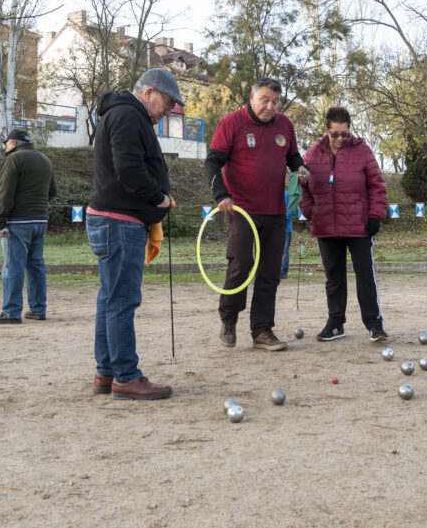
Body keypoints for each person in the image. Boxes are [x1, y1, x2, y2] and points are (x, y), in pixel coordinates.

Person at [86, 68, 183, 400]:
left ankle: (106, 372)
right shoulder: (129, 114)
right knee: (122, 300)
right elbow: (128, 169)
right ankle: (126, 375)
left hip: (113, 219)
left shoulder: (123, 113)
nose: (168, 110)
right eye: (167, 103)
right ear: (149, 92)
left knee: (110, 297)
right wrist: (159, 198)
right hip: (119, 221)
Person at [205, 77, 307, 351]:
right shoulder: (232, 123)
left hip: (275, 210)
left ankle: (262, 330)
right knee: (240, 264)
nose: (270, 106)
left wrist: (301, 169)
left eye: (275, 101)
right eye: (265, 100)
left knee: (270, 272)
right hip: (241, 208)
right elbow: (213, 162)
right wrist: (221, 196)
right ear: (252, 96)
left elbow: (293, 157)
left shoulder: (285, 125)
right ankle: (228, 319)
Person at [299, 106, 389, 342]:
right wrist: (310, 211)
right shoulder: (312, 154)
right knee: (334, 278)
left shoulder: (363, 151)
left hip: (359, 226)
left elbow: (377, 186)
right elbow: (302, 187)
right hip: (326, 225)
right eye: (335, 134)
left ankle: (374, 324)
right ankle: (336, 324)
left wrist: (375, 216)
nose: (340, 139)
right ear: (326, 129)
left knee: (365, 276)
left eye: (344, 134)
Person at [0, 129, 57, 324]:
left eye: (6, 143)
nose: (5, 147)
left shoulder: (13, 160)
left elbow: (5, 193)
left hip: (18, 221)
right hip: (40, 220)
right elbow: (53, 191)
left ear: (13, 143)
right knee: (36, 265)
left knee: (13, 266)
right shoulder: (45, 160)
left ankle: (11, 311)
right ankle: (38, 309)